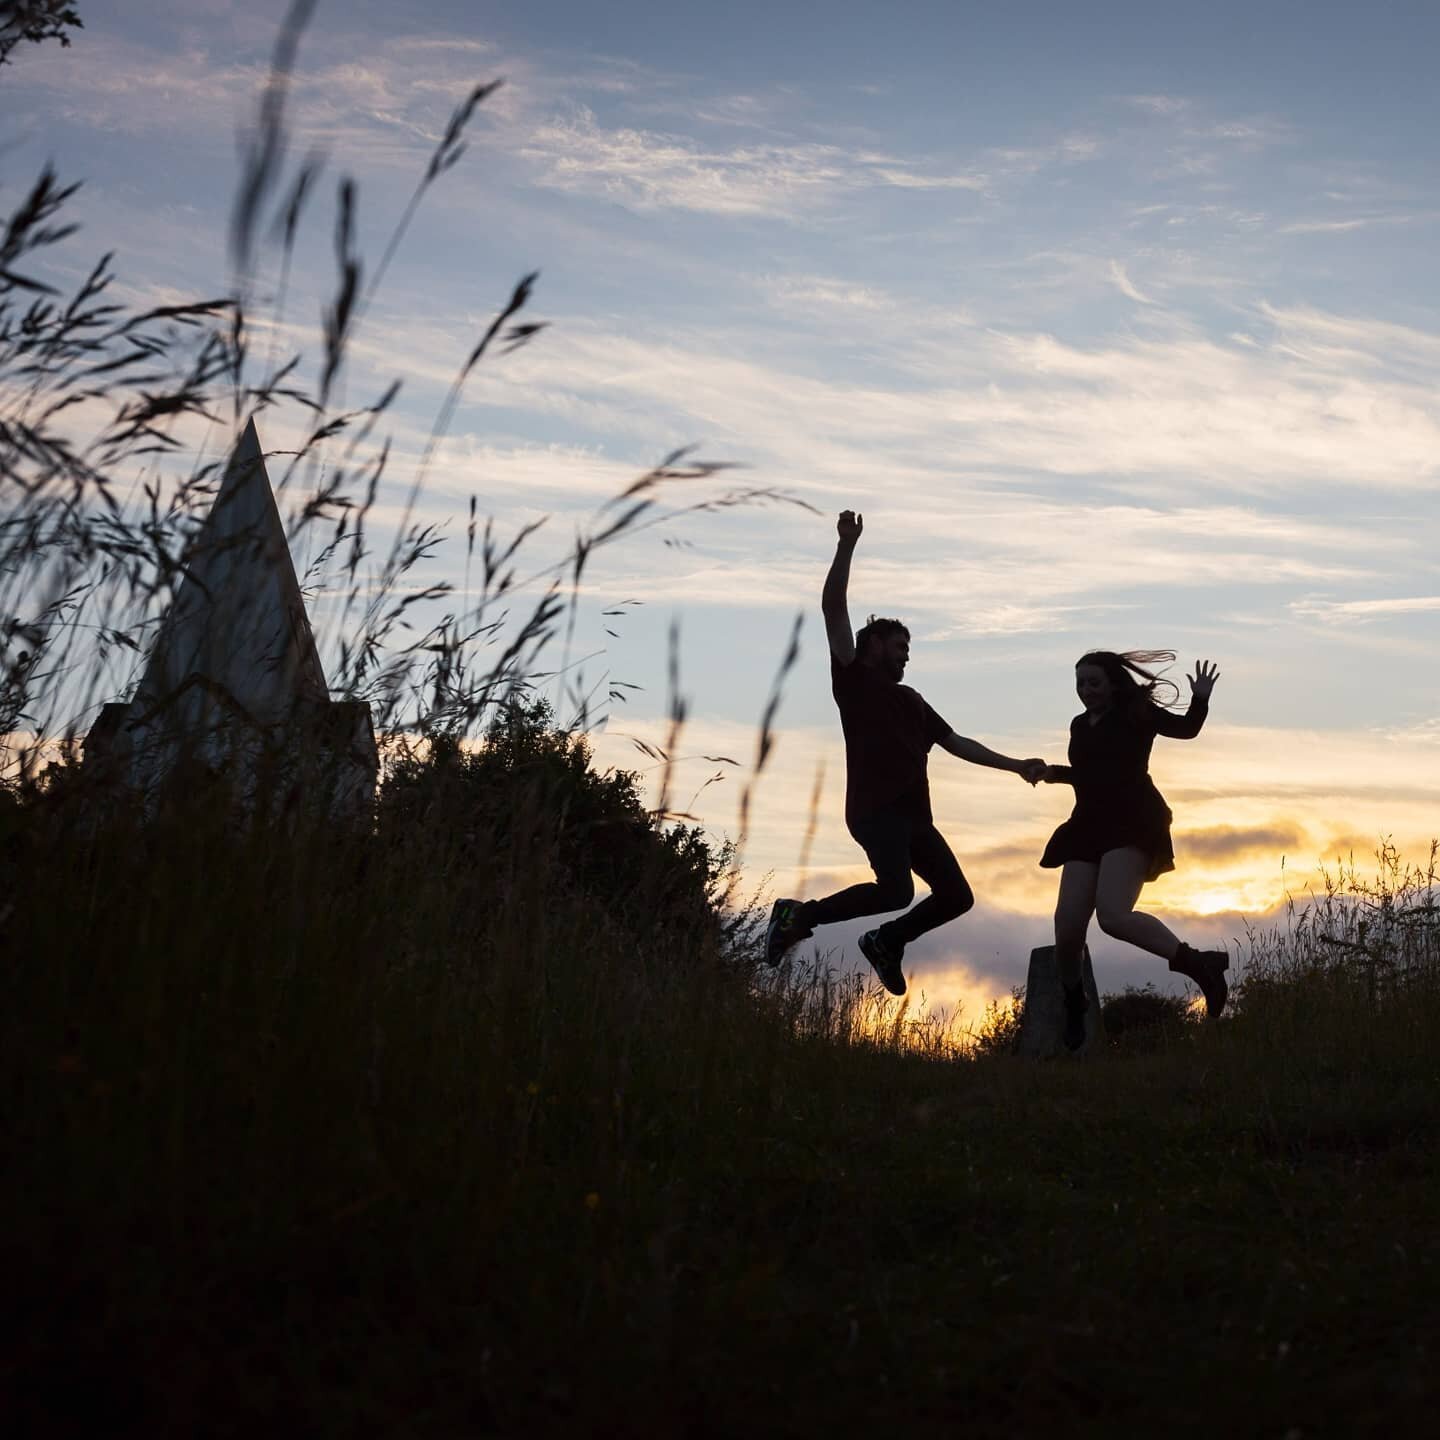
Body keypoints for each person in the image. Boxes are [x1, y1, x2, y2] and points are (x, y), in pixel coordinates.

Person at [765, 510, 1045, 995]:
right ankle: (797, 915)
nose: (907, 654)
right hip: (876, 811)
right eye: (900, 645)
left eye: (908, 648)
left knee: (957, 896)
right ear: (873, 645)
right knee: (897, 890)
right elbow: (833, 608)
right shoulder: (854, 679)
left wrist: (1015, 765)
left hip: (916, 818)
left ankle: (886, 941)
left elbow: (957, 743)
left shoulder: (913, 701)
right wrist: (847, 546)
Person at [1038, 649, 1229, 1049]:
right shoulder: (1079, 725)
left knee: (1113, 916)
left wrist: (1201, 698)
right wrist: (1052, 773)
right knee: (1068, 930)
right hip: (1087, 824)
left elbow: (1187, 729)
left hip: (1133, 820)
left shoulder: (1137, 713)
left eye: (1093, 682)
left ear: (1112, 683)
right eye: (1080, 684)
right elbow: (1090, 775)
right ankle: (1076, 1003)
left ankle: (1199, 964)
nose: (1085, 690)